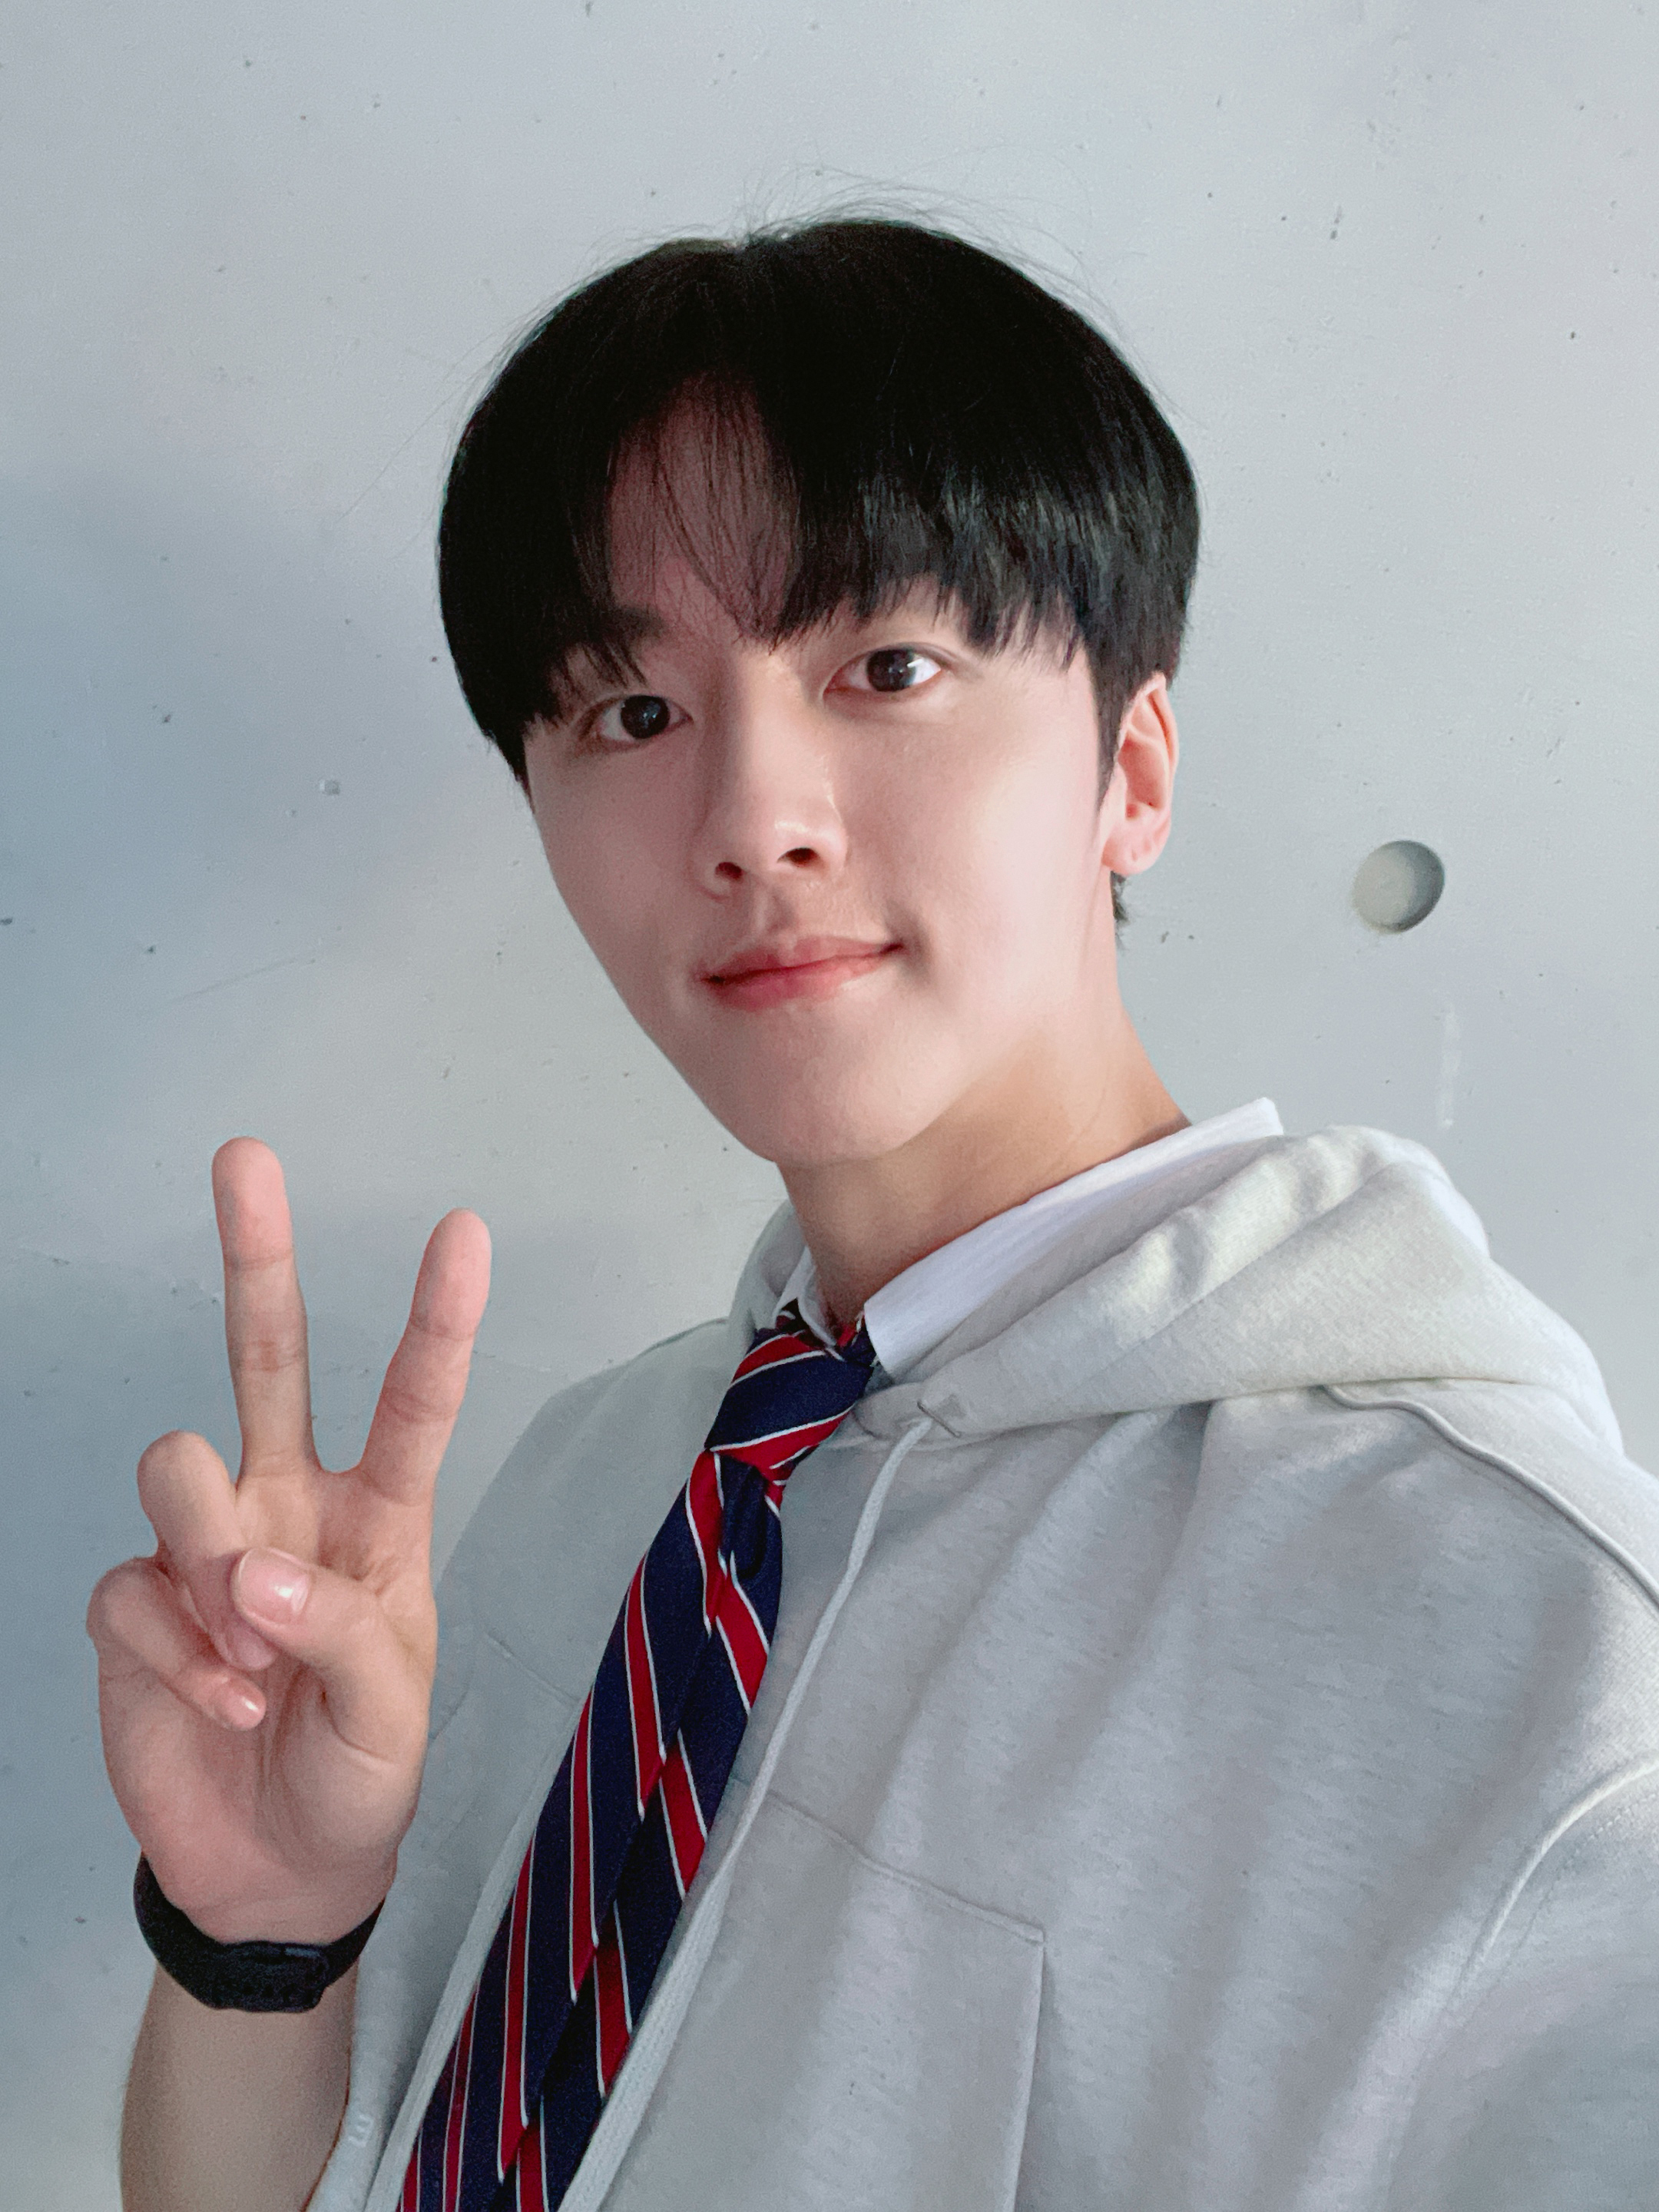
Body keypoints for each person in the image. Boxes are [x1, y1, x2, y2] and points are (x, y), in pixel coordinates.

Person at [88, 219, 1659, 2212]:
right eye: (630, 713)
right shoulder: (596, 1484)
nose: (757, 819)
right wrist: (265, 1932)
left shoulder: (1522, 1656)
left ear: (1131, 772)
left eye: (888, 667)